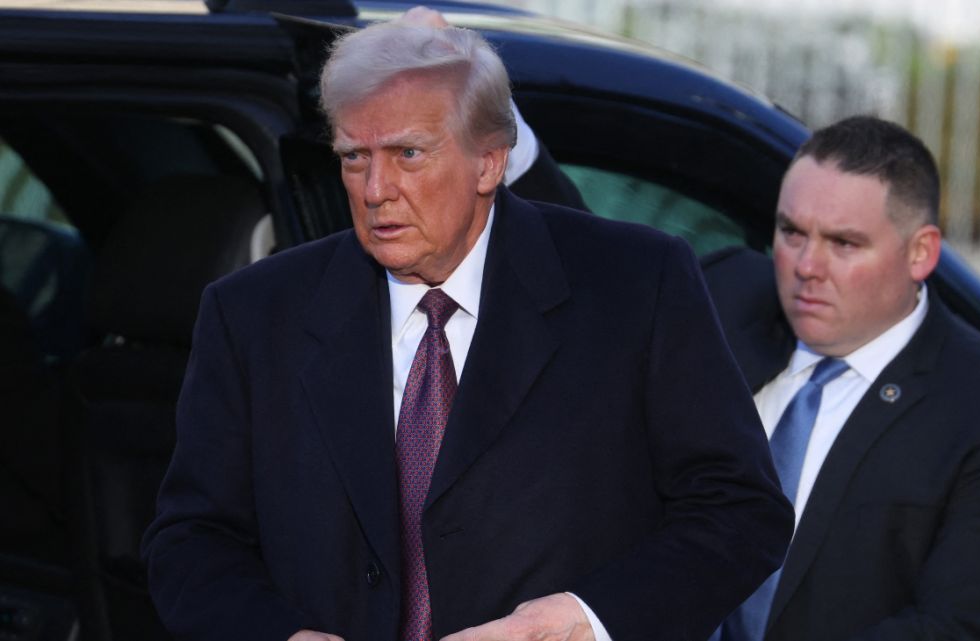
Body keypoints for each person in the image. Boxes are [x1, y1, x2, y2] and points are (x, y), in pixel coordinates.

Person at [141, 11, 793, 641]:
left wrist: (588, 620)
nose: (375, 189)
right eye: (352, 157)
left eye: (408, 153)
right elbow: (191, 541)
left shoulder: (635, 284)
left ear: (489, 161)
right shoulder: (255, 314)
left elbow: (739, 510)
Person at [704, 115, 980, 641]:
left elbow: (958, 628)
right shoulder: (721, 294)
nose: (807, 265)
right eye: (791, 232)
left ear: (920, 252)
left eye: (844, 243)